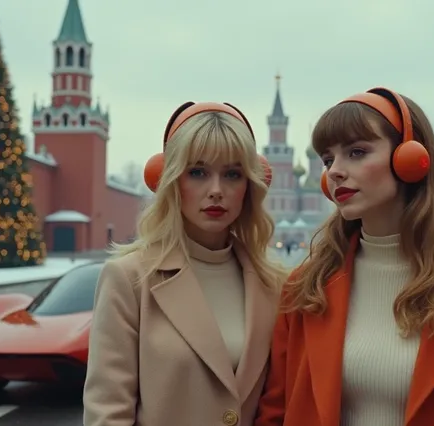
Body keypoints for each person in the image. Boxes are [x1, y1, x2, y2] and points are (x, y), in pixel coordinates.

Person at [255, 87, 434, 426]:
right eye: (328, 160)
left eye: (356, 152)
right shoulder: (304, 291)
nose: (334, 172)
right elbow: (275, 413)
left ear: (409, 159)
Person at [83, 101, 287, 426]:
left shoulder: (274, 284)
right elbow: (107, 414)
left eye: (232, 174)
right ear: (171, 180)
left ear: (249, 185)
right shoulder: (129, 278)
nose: (217, 190)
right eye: (198, 172)